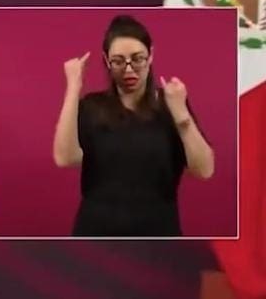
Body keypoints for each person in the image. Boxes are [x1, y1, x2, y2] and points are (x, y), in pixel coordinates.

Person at [53, 15, 215, 236]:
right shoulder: (92, 106)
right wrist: (73, 86)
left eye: (137, 59)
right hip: (96, 233)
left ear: (151, 56)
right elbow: (65, 158)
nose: (129, 69)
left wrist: (181, 115)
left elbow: (204, 170)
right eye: (118, 61)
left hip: (158, 234)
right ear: (106, 61)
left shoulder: (171, 103)